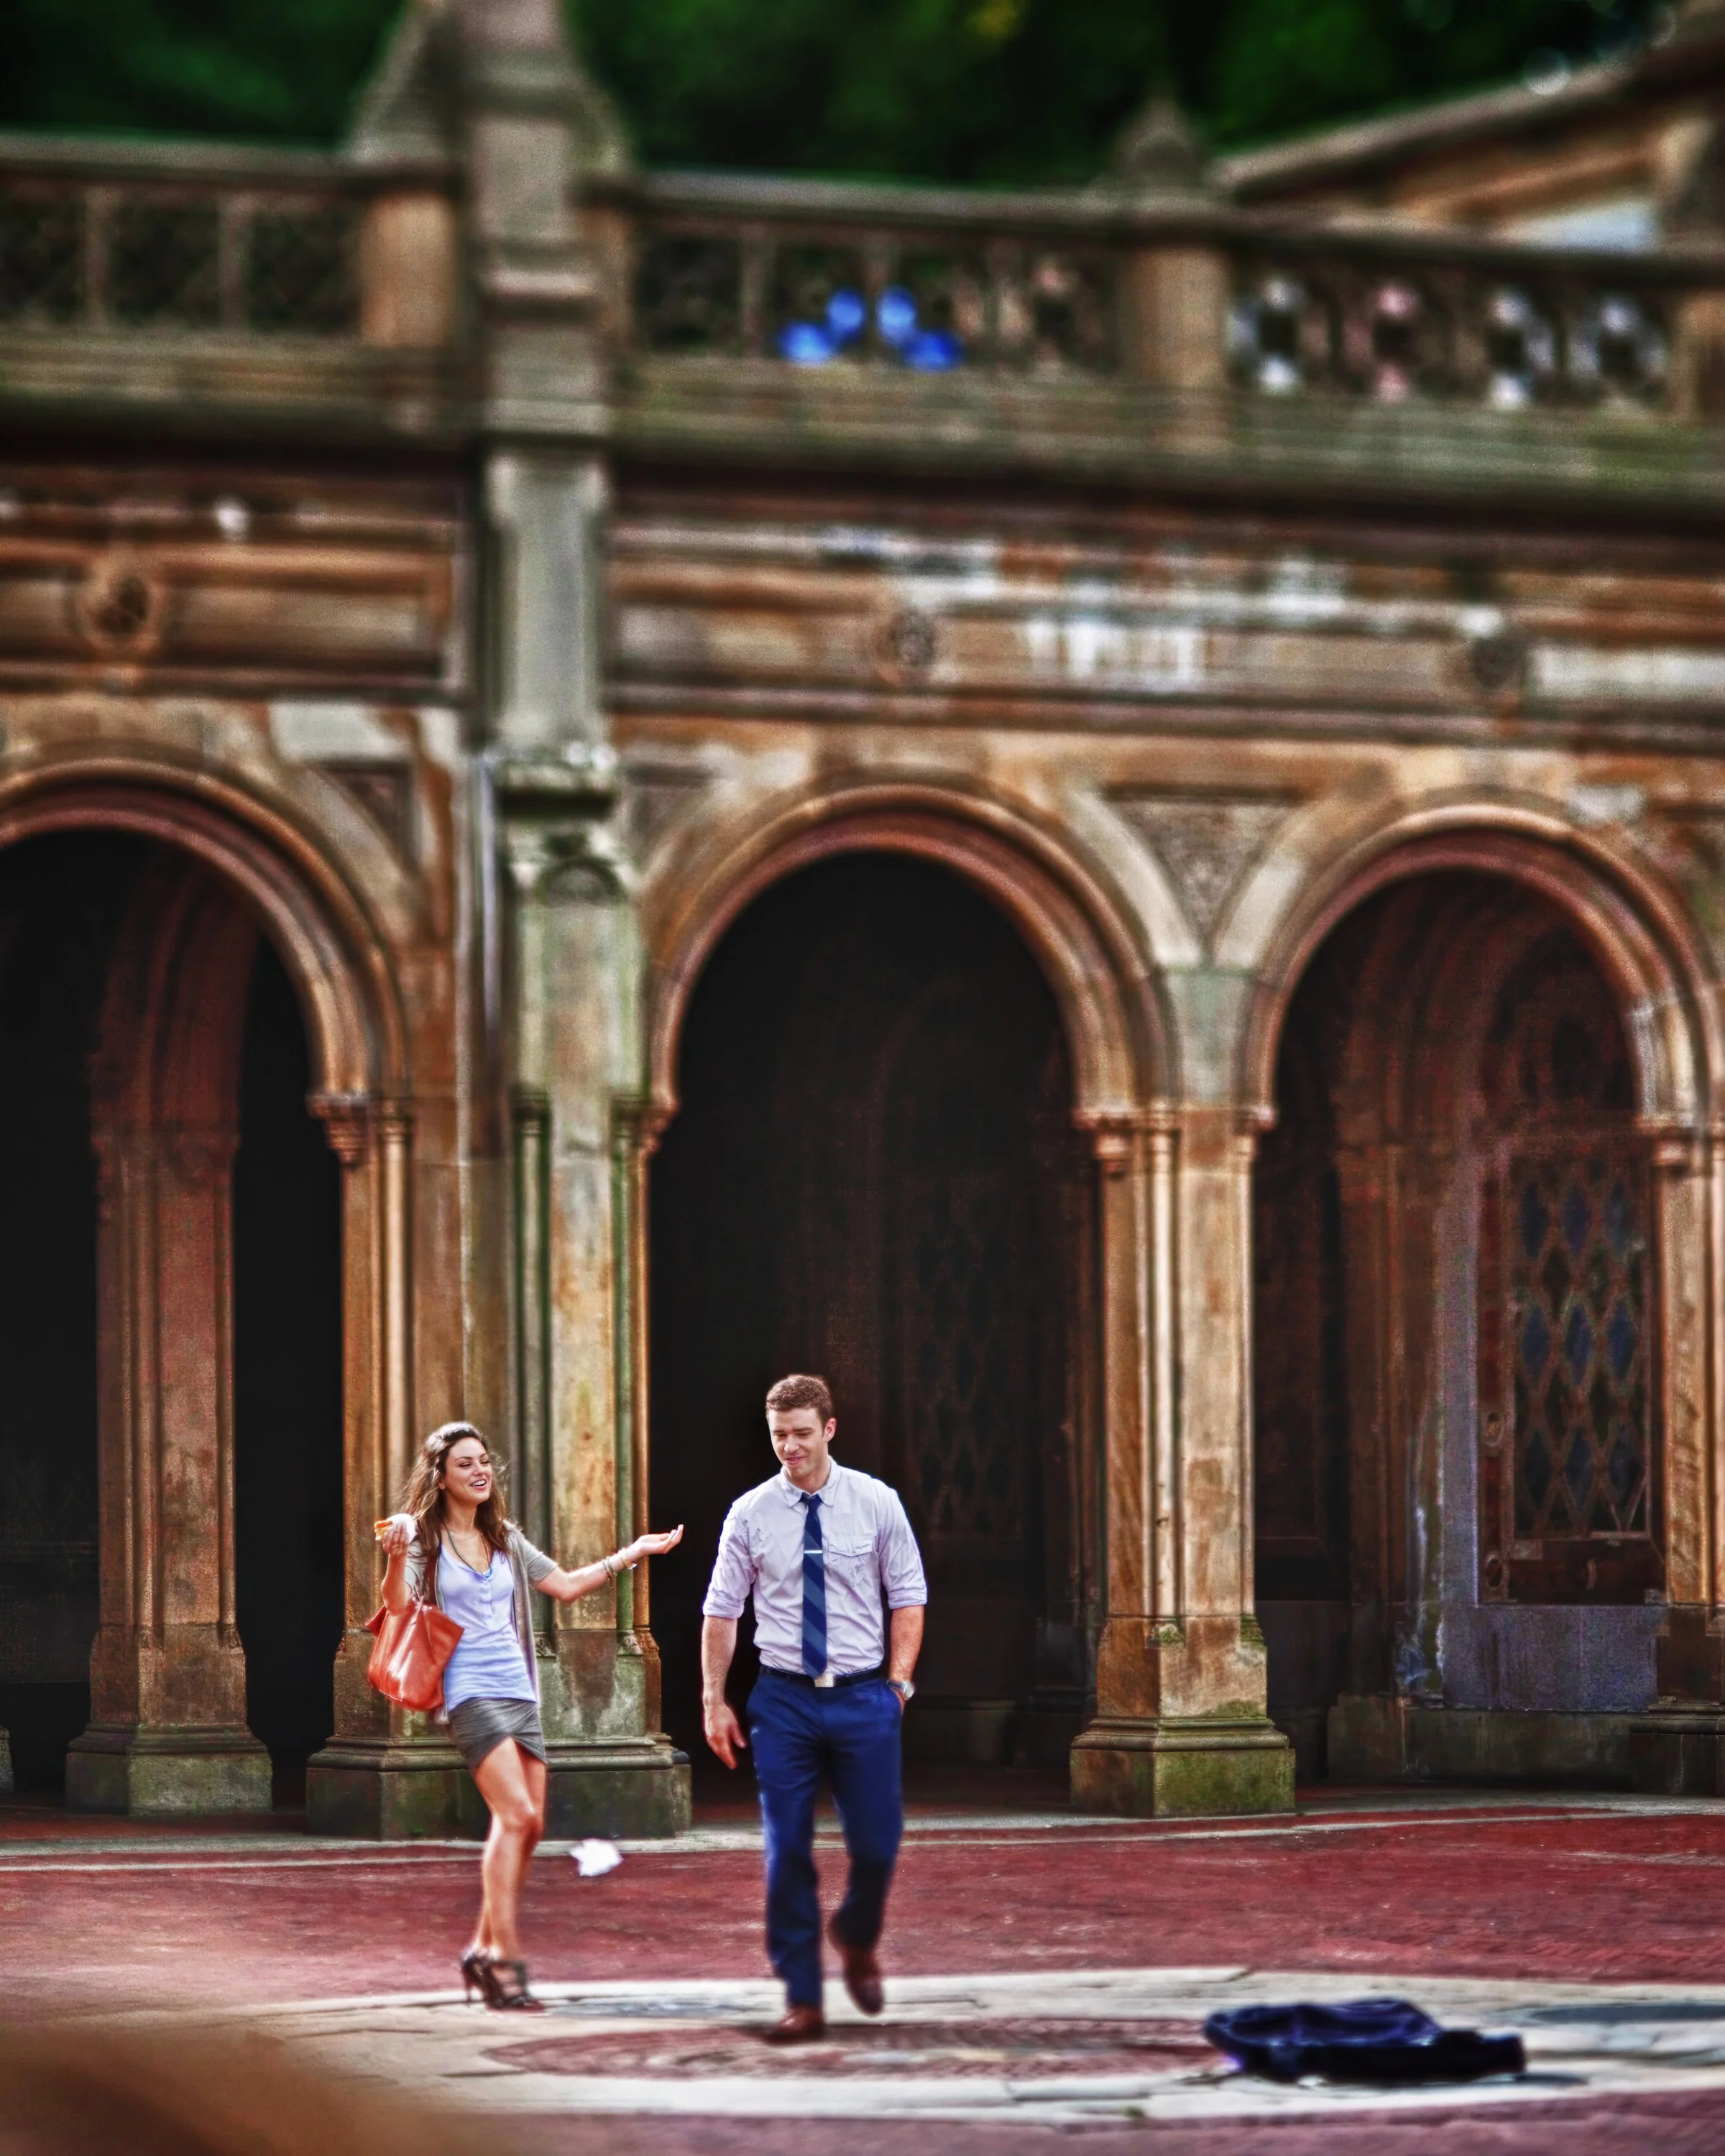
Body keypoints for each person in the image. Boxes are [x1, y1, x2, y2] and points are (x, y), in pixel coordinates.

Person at [380, 1421, 684, 2010]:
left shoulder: (504, 1539)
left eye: (484, 1461)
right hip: (469, 1691)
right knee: (515, 1815)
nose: (480, 1471)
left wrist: (634, 1554)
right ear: (440, 1478)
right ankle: (507, 1960)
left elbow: (566, 1587)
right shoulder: (422, 1537)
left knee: (531, 1825)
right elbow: (396, 1605)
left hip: (520, 1690)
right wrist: (395, 1559)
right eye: (465, 1464)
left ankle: (479, 1948)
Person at [702, 1373, 927, 2042]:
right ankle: (803, 1996)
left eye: (802, 1434)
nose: (790, 1448)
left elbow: (908, 1595)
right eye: (779, 1436)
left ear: (829, 1429)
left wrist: (899, 1684)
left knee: (879, 1841)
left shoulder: (875, 1502)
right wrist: (714, 1700)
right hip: (784, 1699)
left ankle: (856, 1933)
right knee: (786, 1848)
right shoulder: (749, 1514)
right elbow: (722, 1612)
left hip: (864, 1694)